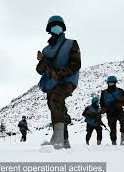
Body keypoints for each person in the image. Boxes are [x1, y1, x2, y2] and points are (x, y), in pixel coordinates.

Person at [36, 15, 81, 149]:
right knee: (54, 106)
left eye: (59, 26)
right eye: (54, 26)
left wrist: (62, 74)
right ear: (49, 30)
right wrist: (42, 62)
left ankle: (57, 140)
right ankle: (65, 140)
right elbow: (39, 70)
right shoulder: (46, 50)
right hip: (51, 83)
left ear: (63, 28)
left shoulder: (71, 43)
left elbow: (76, 63)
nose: (57, 28)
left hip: (67, 81)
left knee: (56, 99)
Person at [100, 76, 124, 145]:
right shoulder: (104, 93)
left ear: (115, 83)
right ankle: (114, 143)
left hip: (119, 110)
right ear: (108, 83)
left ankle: (123, 141)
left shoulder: (120, 91)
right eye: (110, 83)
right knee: (112, 129)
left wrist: (120, 103)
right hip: (110, 112)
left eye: (112, 83)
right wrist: (104, 109)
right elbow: (102, 104)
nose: (111, 84)